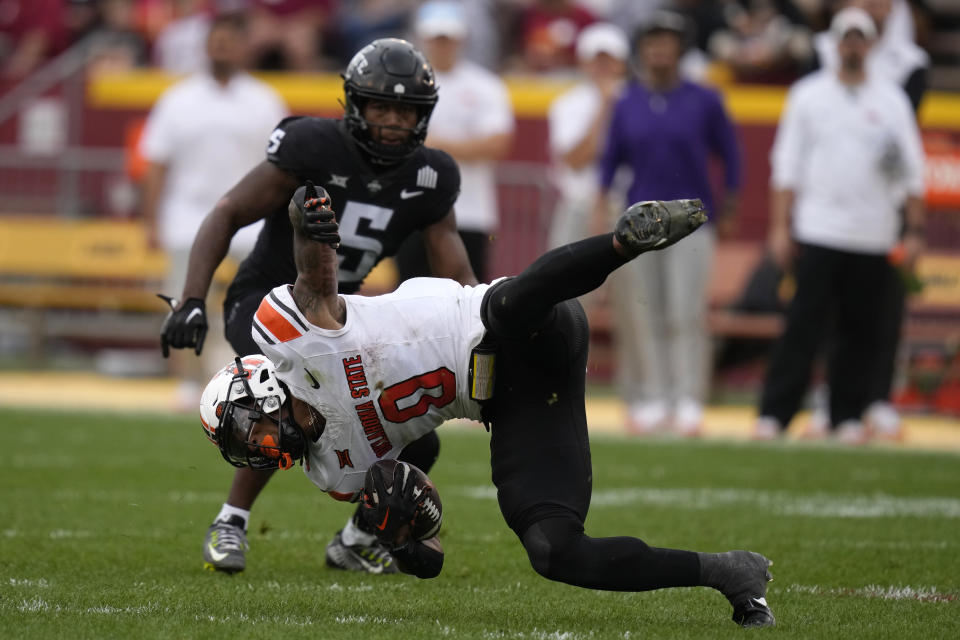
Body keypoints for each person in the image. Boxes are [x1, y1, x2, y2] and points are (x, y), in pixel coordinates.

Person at [199, 182, 776, 629]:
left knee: (506, 309)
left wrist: (310, 219)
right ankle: (727, 572)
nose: (258, 447)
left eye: (250, 430)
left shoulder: (295, 340)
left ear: (262, 387)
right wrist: (402, 539)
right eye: (245, 448)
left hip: (515, 322)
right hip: (517, 399)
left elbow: (316, 279)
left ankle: (626, 239)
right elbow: (431, 554)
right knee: (554, 550)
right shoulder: (334, 469)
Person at [159, 38, 477, 575]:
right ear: (355, 106)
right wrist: (192, 297)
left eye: (405, 110)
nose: (394, 122)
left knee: (416, 440)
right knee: (280, 404)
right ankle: (230, 521)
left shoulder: (432, 176)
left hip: (342, 323)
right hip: (267, 305)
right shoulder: (311, 145)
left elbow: (460, 276)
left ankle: (356, 539)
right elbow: (227, 211)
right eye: (381, 106)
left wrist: (491, 323)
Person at [752, 7, 926, 444]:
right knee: (802, 326)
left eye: (859, 38)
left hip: (873, 231)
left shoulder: (890, 99)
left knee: (860, 329)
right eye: (845, 38)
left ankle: (848, 414)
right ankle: (776, 413)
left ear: (869, 44)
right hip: (819, 228)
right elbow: (786, 164)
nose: (852, 46)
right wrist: (779, 226)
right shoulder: (809, 95)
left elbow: (911, 173)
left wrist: (915, 231)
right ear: (835, 43)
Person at [593, 10, 742, 437]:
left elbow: (731, 154)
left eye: (667, 42)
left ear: (680, 49)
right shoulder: (628, 102)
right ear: (643, 51)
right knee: (646, 313)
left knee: (686, 311)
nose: (659, 51)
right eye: (652, 43)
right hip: (641, 225)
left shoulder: (705, 99)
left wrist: (729, 204)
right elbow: (609, 163)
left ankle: (689, 399)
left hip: (692, 221)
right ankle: (655, 397)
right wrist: (599, 210)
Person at [141, 11, 288, 409]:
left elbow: (281, 166)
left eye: (230, 40)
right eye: (216, 39)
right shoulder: (177, 99)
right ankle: (187, 384)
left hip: (249, 221)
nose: (222, 47)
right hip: (186, 219)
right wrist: (151, 220)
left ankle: (257, 380)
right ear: (205, 45)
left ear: (243, 46)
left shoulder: (264, 99)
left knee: (258, 303)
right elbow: (156, 163)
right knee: (183, 302)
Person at [395, 0, 515, 282]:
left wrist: (430, 144)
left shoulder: (485, 85)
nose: (442, 45)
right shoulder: (404, 84)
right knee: (409, 300)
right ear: (423, 38)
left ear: (461, 39)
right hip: (412, 211)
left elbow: (498, 143)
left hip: (470, 213)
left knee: (468, 301)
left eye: (447, 38)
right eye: (436, 38)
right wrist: (462, 146)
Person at [546, 22, 629, 251]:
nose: (602, 66)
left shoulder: (638, 101)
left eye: (608, 59)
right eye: (596, 59)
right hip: (579, 202)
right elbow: (575, 159)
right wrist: (605, 107)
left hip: (628, 207)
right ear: (583, 62)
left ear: (621, 63)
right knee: (568, 282)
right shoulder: (567, 104)